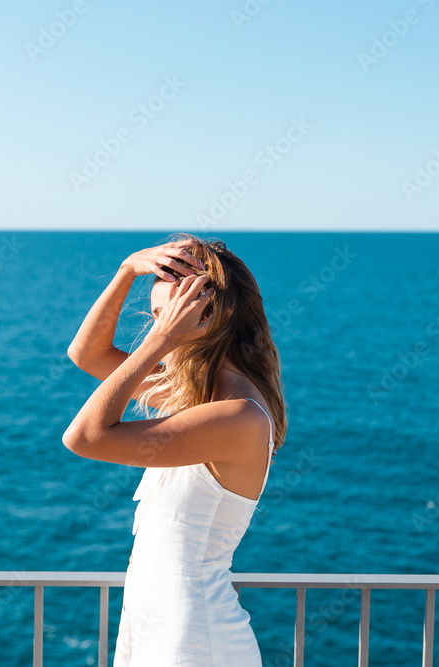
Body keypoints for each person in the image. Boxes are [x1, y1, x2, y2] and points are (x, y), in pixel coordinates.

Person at [62, 232, 287, 665]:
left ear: (206, 315)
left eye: (167, 315)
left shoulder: (238, 416)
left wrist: (160, 341)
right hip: (156, 632)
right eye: (157, 317)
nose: (157, 326)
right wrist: (127, 270)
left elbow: (84, 437)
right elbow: (86, 353)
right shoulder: (197, 398)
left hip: (195, 643)